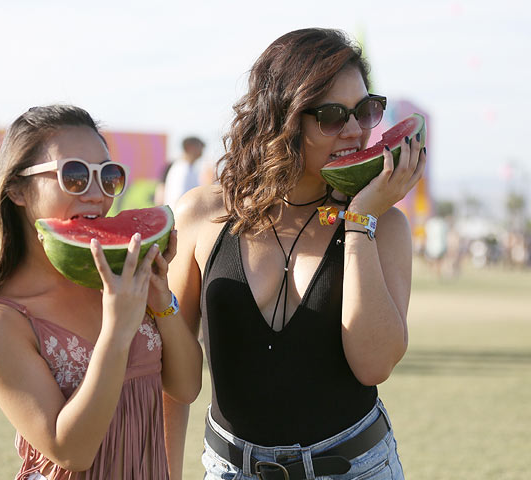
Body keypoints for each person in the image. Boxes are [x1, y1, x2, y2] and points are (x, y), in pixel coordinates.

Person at [165, 28, 426, 480]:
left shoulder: (385, 226)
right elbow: (170, 378)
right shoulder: (200, 216)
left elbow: (374, 364)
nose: (354, 131)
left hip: (355, 468)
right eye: (331, 116)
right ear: (282, 117)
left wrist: (361, 219)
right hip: (230, 470)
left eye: (364, 111)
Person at [0, 105, 202, 479]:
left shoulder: (120, 280)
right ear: (17, 188)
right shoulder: (0, 323)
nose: (96, 194)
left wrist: (163, 303)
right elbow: (72, 450)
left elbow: (187, 388)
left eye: (107, 176)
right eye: (74, 175)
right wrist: (117, 331)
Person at [162, 136, 210, 207]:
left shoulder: (189, 168)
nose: (202, 149)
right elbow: (179, 197)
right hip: (179, 215)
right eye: (199, 146)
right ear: (189, 147)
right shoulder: (181, 168)